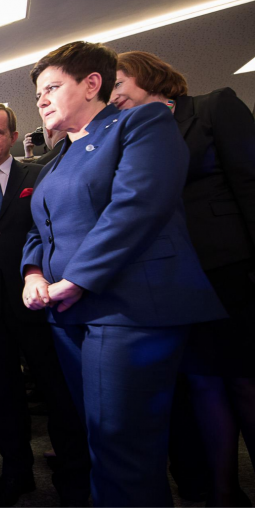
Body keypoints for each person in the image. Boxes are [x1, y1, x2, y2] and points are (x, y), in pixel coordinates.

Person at [21, 41, 227, 508]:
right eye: (38, 94)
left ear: (92, 83)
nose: (42, 100)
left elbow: (137, 205)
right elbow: (38, 228)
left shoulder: (142, 123)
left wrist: (76, 279)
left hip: (127, 309)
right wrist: (33, 273)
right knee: (103, 440)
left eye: (51, 88)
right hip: (68, 314)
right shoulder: (57, 159)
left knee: (122, 448)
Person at [113, 50, 255, 508]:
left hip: (231, 269)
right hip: (177, 278)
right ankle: (223, 492)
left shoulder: (213, 106)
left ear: (147, 76)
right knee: (203, 384)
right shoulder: (128, 134)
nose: (110, 95)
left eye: (117, 83)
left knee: (245, 380)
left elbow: (250, 182)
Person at [0, 103, 90, 508]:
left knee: (57, 392)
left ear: (12, 137)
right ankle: (16, 472)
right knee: (1, 394)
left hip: (39, 302)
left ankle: (74, 475)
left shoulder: (40, 175)